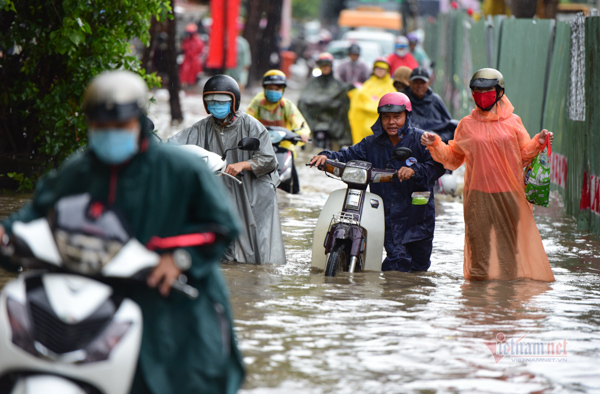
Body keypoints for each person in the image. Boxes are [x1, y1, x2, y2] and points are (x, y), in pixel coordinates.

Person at [0, 70, 245, 393]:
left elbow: (223, 225)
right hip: (106, 294)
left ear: (138, 122)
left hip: (177, 296)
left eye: (119, 127)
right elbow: (36, 211)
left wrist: (180, 258)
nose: (110, 134)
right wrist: (7, 231)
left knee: (184, 379)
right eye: (101, 127)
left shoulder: (180, 169)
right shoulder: (82, 168)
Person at [421, 68, 555, 282]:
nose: (482, 94)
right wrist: (435, 143)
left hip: (510, 195)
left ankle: (506, 303)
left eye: (488, 90)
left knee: (508, 251)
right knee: (479, 251)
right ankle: (477, 304)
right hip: (478, 197)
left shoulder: (514, 122)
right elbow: (454, 158)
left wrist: (538, 142)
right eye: (477, 90)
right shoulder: (466, 125)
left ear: (500, 92)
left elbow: (521, 156)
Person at [310, 92, 445, 272]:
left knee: (419, 269)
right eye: (386, 117)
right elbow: (347, 155)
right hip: (387, 216)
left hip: (418, 217)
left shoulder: (421, 140)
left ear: (407, 116)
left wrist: (415, 170)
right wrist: (326, 156)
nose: (391, 122)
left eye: (397, 117)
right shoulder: (371, 144)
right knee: (397, 263)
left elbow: (438, 165)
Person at [169, 74, 287, 265]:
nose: (216, 105)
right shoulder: (201, 127)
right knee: (221, 242)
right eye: (211, 101)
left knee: (256, 245)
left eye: (221, 101)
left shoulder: (251, 126)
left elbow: (268, 160)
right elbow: (174, 144)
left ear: (234, 101)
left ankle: (255, 280)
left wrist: (244, 164)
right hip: (221, 188)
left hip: (252, 190)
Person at [246, 69, 311, 194]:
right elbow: (247, 118)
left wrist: (303, 133)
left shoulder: (287, 105)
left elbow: (298, 121)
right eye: (270, 88)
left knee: (293, 177)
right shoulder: (257, 102)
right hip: (260, 146)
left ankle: (295, 193)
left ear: (283, 90)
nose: (274, 91)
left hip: (283, 146)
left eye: (277, 88)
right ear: (264, 88)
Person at [298, 52, 353, 149]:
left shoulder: (338, 85)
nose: (325, 68)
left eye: (327, 65)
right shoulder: (313, 82)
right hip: (314, 119)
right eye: (323, 65)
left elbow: (343, 105)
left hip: (332, 121)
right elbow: (304, 99)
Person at [347, 57, 396, 145]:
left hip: (382, 121)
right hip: (365, 123)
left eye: (383, 69)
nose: (380, 71)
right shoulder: (367, 84)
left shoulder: (391, 85)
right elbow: (359, 99)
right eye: (378, 68)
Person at [405, 67, 455, 142]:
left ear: (429, 83)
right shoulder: (404, 100)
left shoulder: (436, 100)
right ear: (410, 82)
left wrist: (437, 139)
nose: (419, 86)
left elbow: (448, 125)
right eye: (416, 82)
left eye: (422, 82)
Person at [179, 23, 205, 89]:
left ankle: (191, 85)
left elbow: (200, 50)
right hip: (188, 59)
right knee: (185, 72)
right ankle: (186, 85)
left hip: (194, 59)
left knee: (194, 73)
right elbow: (184, 48)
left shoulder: (198, 41)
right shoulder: (186, 40)